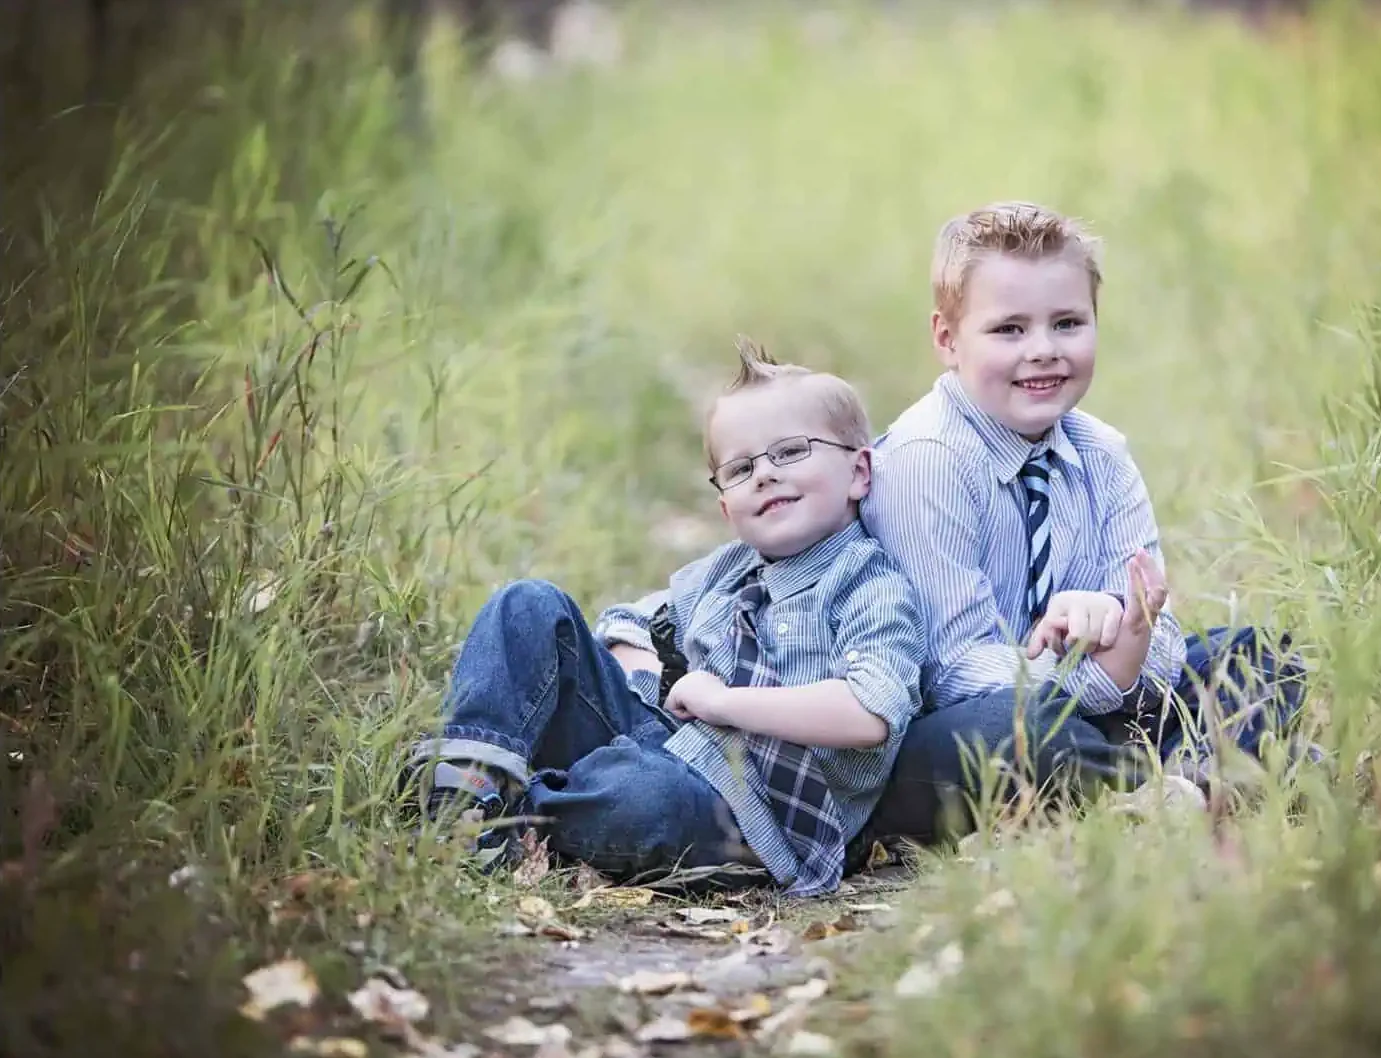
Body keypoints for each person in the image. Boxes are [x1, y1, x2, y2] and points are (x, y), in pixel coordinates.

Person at [857, 200, 1312, 846]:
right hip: (950, 732)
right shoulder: (927, 461)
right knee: (1026, 732)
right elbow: (948, 673)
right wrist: (1101, 674)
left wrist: (1118, 634)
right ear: (947, 339)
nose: (1043, 351)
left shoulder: (1101, 453)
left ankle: (1161, 789)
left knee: (1257, 658)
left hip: (1090, 707)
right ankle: (1183, 784)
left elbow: (1162, 640)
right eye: (1009, 330)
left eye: (1067, 323)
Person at [400, 338, 925, 896]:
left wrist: (722, 702)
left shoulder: (870, 585)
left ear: (859, 473)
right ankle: (465, 785)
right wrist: (640, 665)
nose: (766, 475)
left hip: (751, 823)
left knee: (644, 795)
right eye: (742, 468)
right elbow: (631, 620)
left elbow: (869, 713)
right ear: (727, 508)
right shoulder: (729, 570)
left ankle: (510, 816)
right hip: (669, 742)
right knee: (528, 604)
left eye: (791, 452)